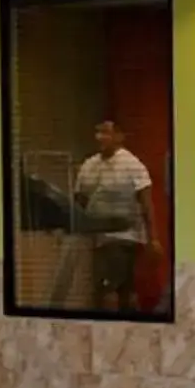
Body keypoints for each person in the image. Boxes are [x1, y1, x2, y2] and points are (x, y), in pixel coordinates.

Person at [71, 118, 154, 312]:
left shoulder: (132, 165)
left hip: (124, 236)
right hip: (98, 236)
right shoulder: (89, 165)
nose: (101, 137)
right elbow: (79, 199)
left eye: (106, 132)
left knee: (110, 288)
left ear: (119, 136)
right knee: (124, 289)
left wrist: (153, 239)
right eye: (98, 132)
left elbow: (146, 202)